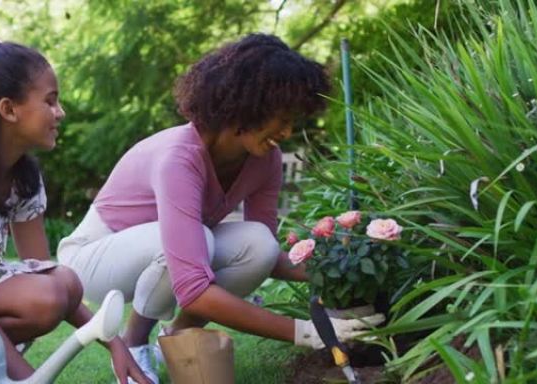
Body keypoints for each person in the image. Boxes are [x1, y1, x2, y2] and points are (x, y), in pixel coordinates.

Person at [58, 33, 384, 384]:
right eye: (283, 117)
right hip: (91, 261)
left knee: (259, 243)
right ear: (250, 105)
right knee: (195, 240)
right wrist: (308, 331)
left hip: (161, 254)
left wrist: (340, 267)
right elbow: (192, 287)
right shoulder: (179, 158)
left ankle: (174, 339)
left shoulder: (265, 158)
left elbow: (267, 256)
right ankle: (134, 345)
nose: (288, 130)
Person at [0, 36, 151, 384]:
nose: (60, 113)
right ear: (8, 110)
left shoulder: (23, 177)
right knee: (44, 296)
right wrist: (29, 380)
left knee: (62, 282)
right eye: (50, 101)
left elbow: (48, 276)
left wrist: (116, 346)